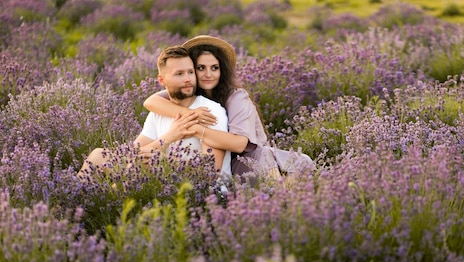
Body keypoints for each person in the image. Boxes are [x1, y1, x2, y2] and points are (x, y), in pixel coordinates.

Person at [144, 35, 313, 183]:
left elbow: (240, 144)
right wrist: (190, 115)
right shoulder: (189, 93)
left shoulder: (236, 97)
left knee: (279, 190)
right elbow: (151, 101)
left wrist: (194, 127)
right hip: (227, 165)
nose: (208, 74)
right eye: (201, 68)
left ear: (222, 70)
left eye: (214, 68)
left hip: (254, 161)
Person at [79, 45, 228, 178]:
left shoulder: (209, 112)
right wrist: (169, 137)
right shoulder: (158, 112)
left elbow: (211, 172)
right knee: (98, 155)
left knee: (138, 168)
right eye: (179, 74)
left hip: (200, 191)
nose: (188, 79)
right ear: (162, 80)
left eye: (190, 72)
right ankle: (73, 205)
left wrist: (162, 161)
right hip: (164, 179)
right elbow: (134, 153)